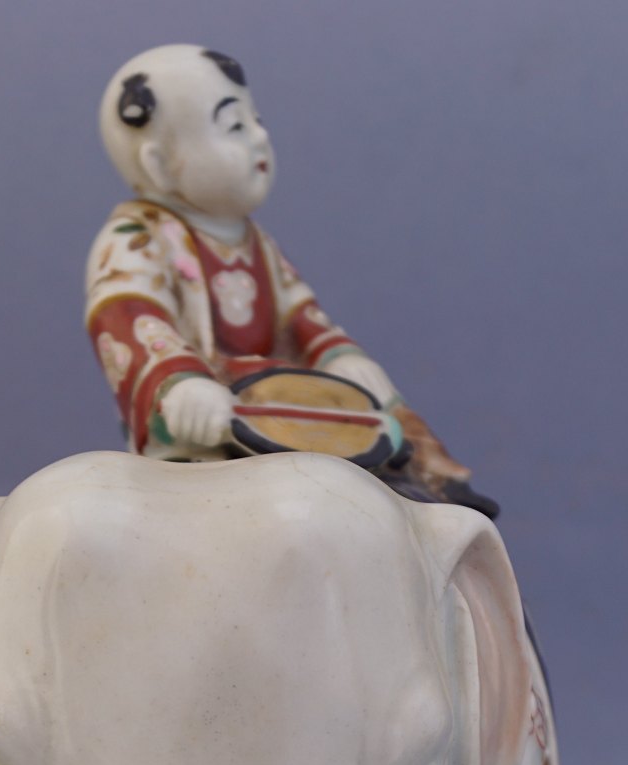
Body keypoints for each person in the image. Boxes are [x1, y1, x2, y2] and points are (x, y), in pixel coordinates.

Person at [85, 44, 497, 515]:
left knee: (384, 435)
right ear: (159, 164)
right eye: (235, 127)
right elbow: (128, 315)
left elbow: (301, 316)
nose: (260, 137)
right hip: (210, 420)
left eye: (257, 120)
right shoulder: (138, 237)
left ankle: (433, 486)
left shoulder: (258, 243)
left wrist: (338, 356)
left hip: (280, 401)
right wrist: (179, 384)